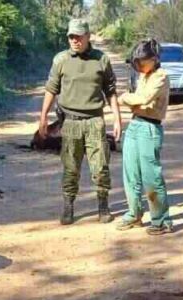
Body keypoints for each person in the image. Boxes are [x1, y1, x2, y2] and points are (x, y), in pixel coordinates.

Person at [39, 18, 122, 225]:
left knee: (100, 167)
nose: (74, 40)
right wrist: (43, 118)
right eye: (71, 37)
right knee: (70, 168)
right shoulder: (61, 60)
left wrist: (117, 119)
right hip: (70, 122)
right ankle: (68, 206)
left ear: (88, 36)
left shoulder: (101, 59)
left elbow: (111, 91)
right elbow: (51, 89)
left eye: (78, 36)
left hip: (95, 121)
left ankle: (103, 205)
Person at [116, 38, 173, 235]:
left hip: (150, 128)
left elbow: (143, 98)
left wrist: (124, 98)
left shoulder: (161, 76)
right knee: (130, 173)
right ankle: (134, 213)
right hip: (135, 125)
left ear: (154, 58)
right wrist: (134, 102)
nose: (138, 66)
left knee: (151, 177)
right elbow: (139, 102)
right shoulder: (143, 76)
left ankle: (161, 220)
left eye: (142, 62)